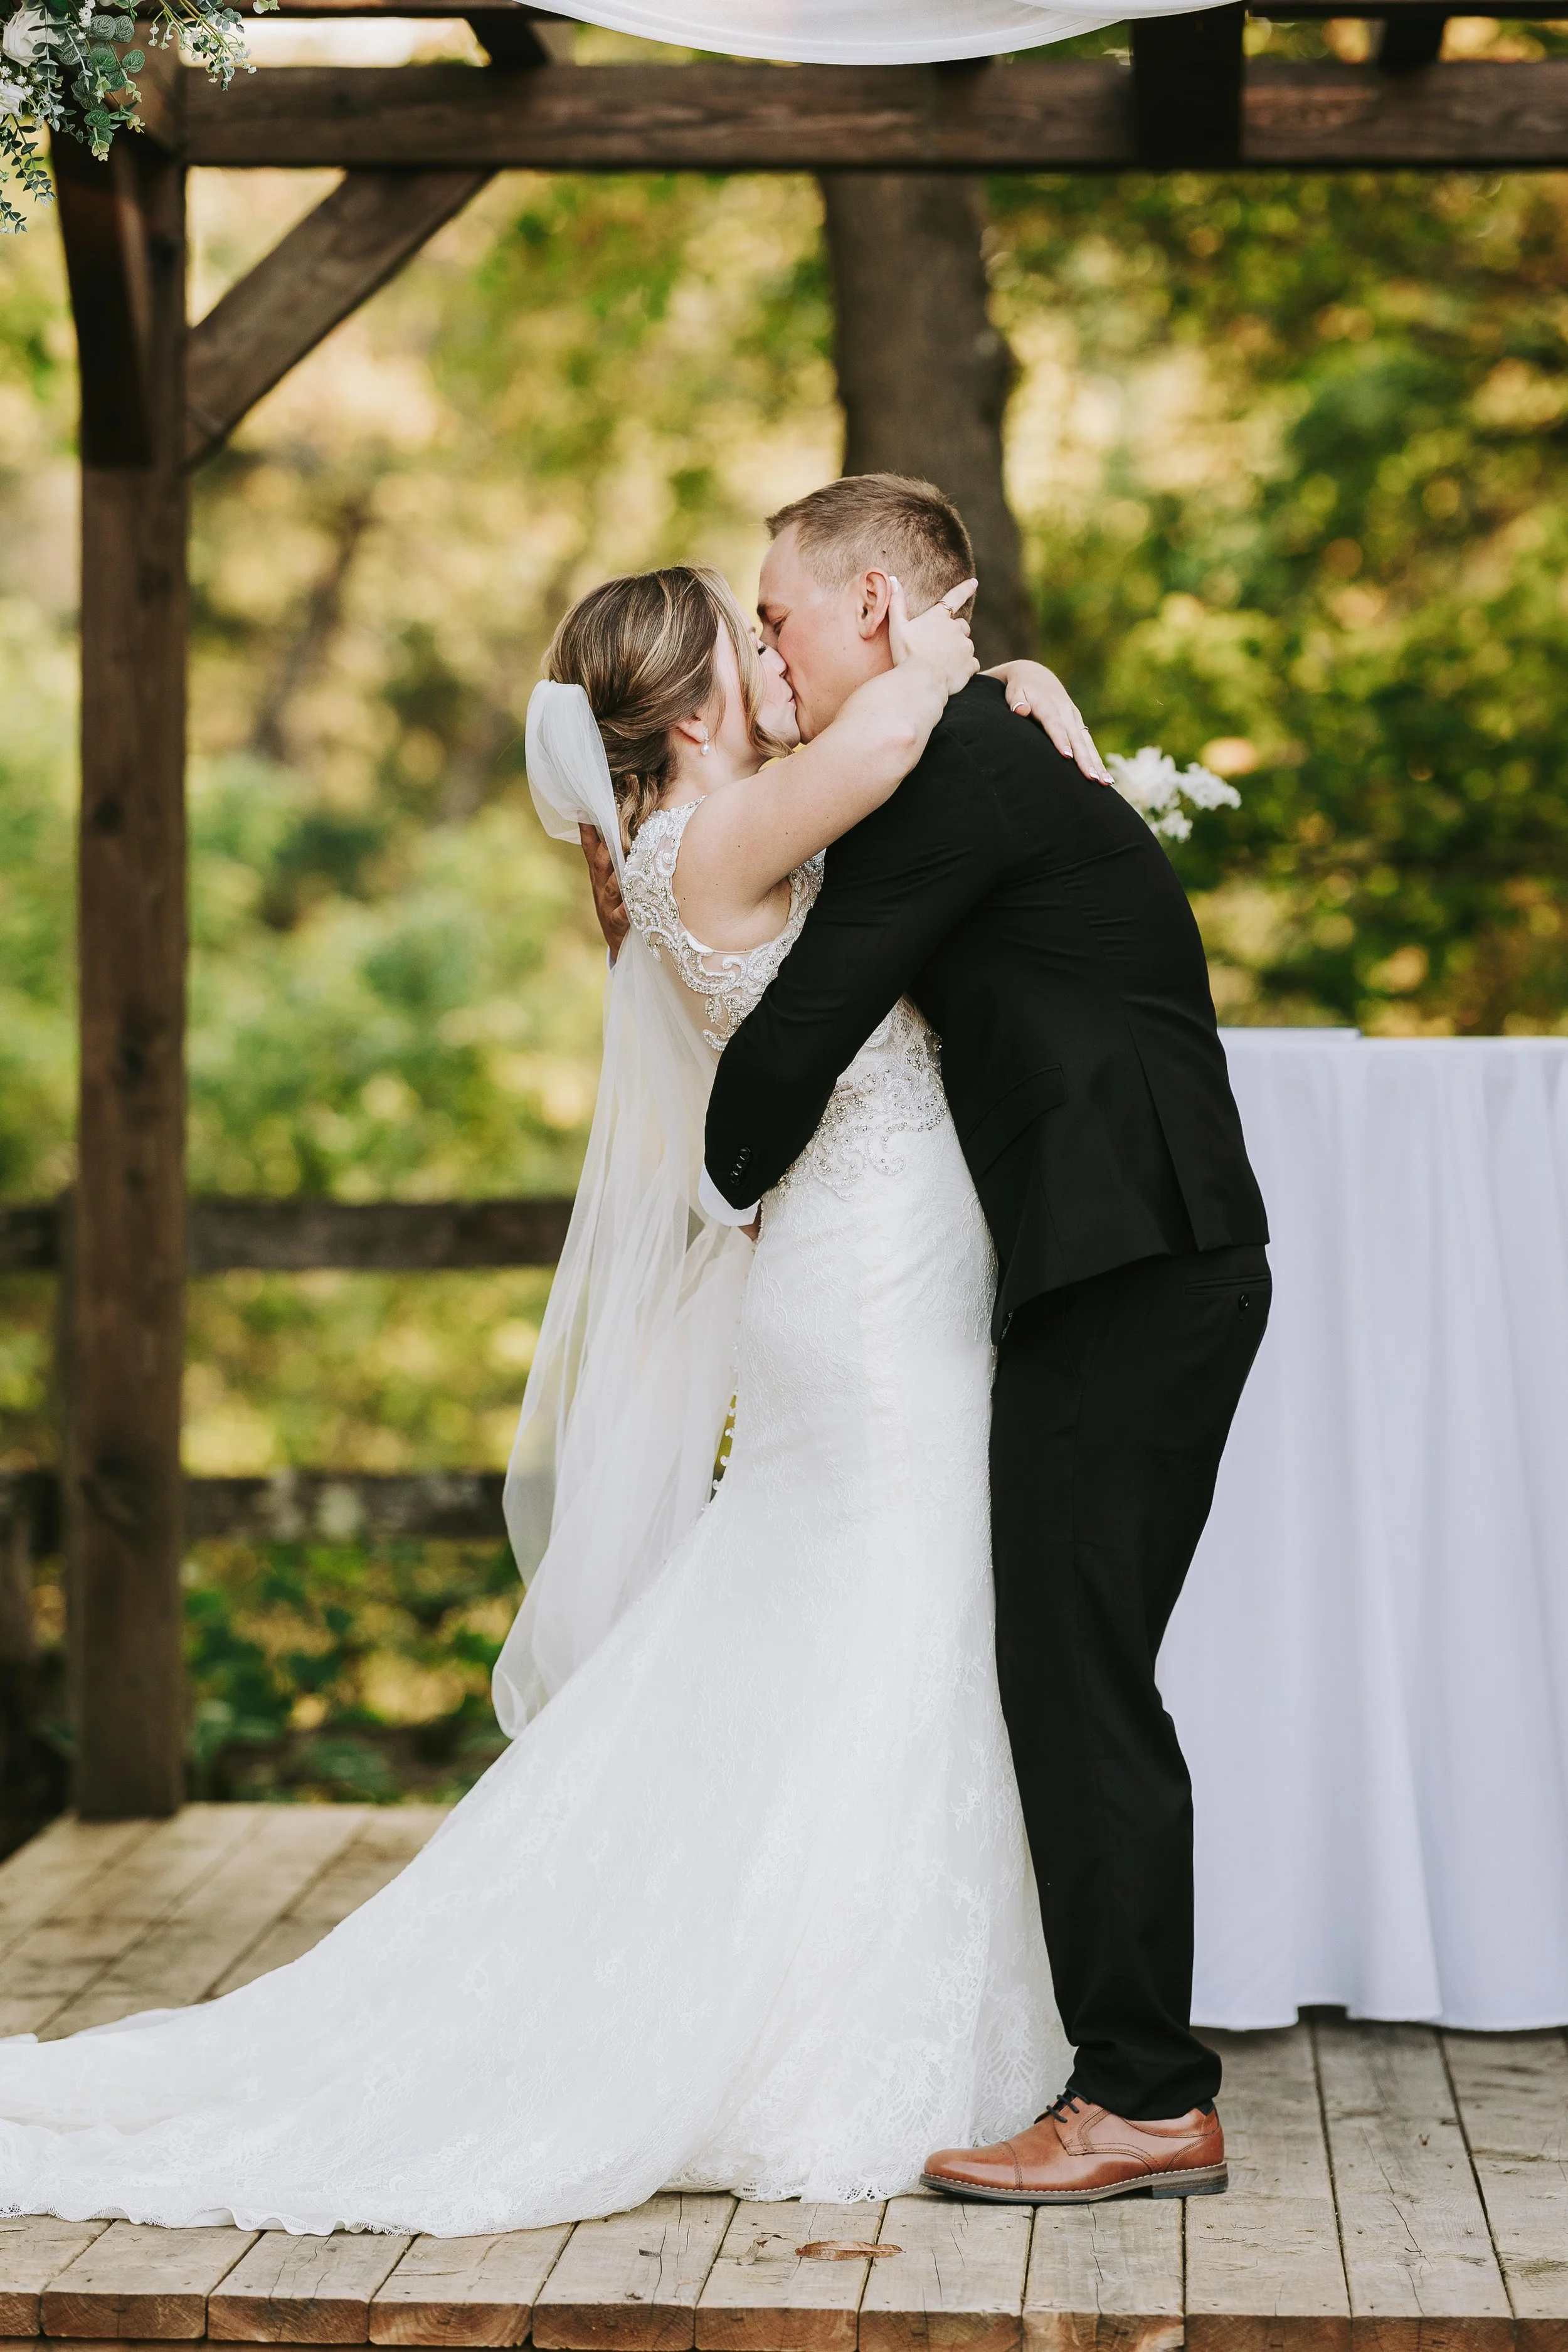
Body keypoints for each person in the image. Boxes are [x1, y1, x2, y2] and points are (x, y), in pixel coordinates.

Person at [0, 558, 1099, 2234]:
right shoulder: (708, 844)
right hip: (864, 1307)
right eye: (744, 646)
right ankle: (828, 2041)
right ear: (681, 714)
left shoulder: (726, 835)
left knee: (868, 1633)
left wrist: (993, 688)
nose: (766, 659)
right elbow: (890, 739)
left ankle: (848, 2001)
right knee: (897, 1622)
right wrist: (980, 657)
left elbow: (894, 792)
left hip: (879, 1282)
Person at [693, 474, 1271, 2207]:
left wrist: (716, 1167)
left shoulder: (951, 773)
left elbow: (798, 1035)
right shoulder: (977, 741)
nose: (769, 651)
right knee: (1072, 1663)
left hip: (1128, 1262)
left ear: (873, 607)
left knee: (1072, 1671)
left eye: (781, 613)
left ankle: (1142, 2095)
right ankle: (1127, 2075)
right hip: (1136, 1256)